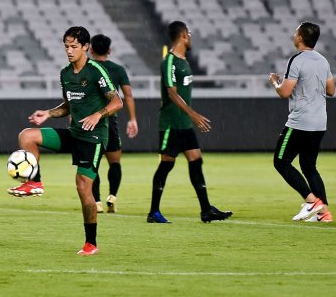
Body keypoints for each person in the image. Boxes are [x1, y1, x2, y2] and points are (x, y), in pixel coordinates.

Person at [12, 26, 123, 255]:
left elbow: (117, 102)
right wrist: (48, 113)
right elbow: (67, 106)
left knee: (83, 189)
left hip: (93, 137)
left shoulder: (96, 71)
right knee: (27, 135)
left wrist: (98, 114)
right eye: (66, 47)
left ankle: (91, 243)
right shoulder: (65, 73)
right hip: (74, 132)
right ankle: (35, 182)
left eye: (74, 47)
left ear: (85, 47)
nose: (69, 51)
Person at [147, 21, 232, 224]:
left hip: (184, 124)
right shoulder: (169, 62)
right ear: (184, 35)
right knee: (166, 165)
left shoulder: (184, 61)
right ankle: (153, 212)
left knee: (196, 160)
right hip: (171, 123)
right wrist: (193, 114)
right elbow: (172, 92)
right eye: (190, 34)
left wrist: (189, 117)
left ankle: (206, 210)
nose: (191, 38)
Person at [269, 22, 335, 223]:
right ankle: (324, 213)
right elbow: (331, 90)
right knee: (309, 166)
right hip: (319, 122)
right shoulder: (323, 60)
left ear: (300, 38)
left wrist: (275, 82)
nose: (294, 34)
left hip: (300, 122)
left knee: (280, 161)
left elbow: (285, 92)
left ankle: (312, 202)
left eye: (296, 31)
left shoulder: (297, 60)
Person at [89, 34, 139, 213]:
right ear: (109, 50)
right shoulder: (118, 70)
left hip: (91, 121)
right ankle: (112, 196)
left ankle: (96, 202)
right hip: (110, 122)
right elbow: (128, 96)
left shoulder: (87, 68)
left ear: (90, 49)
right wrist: (132, 119)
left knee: (91, 164)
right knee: (115, 162)